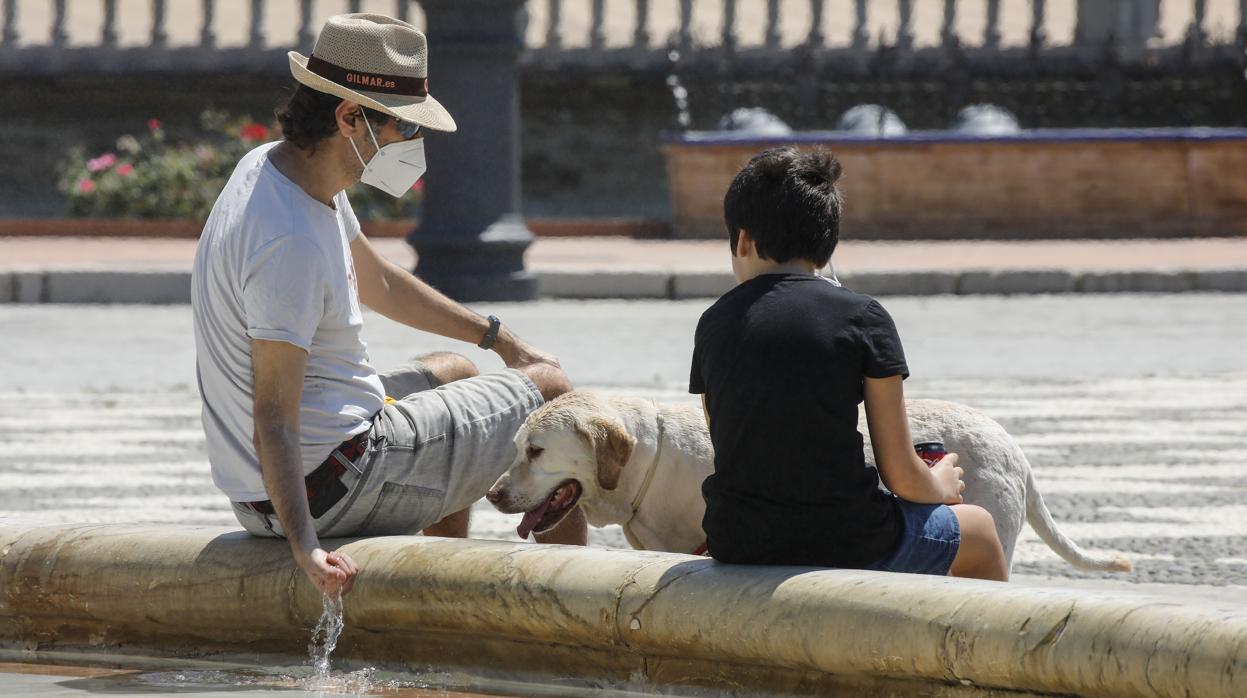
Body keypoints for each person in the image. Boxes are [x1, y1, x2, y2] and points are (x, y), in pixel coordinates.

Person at [190, 13, 585, 598]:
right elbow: (274, 414)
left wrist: (501, 339)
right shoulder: (288, 241)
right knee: (550, 391)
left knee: (456, 372)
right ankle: (575, 605)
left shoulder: (285, 171)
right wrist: (306, 551)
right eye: (404, 127)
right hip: (327, 488)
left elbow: (381, 283)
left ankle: (431, 594)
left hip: (278, 483)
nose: (413, 144)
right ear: (351, 118)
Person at [688, 147, 1008, 581]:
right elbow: (900, 474)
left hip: (739, 539)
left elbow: (727, 443)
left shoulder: (713, 324)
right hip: (845, 537)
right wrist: (941, 484)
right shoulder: (863, 317)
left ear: (742, 239)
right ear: (826, 250)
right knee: (981, 531)